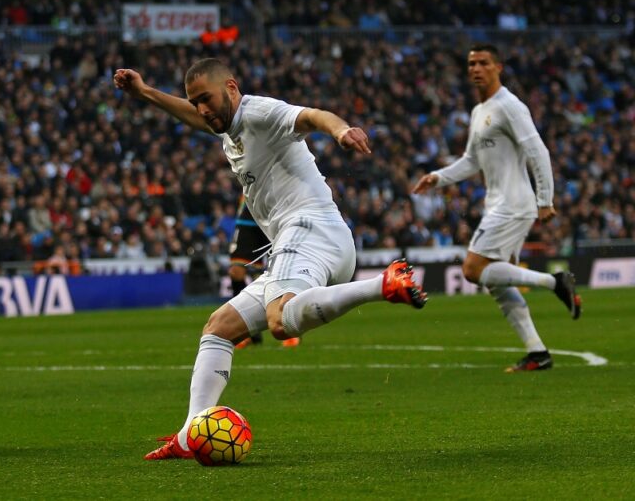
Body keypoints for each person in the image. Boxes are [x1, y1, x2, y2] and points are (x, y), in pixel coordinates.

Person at [114, 59, 427, 461]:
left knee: (280, 322)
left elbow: (312, 116)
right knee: (219, 328)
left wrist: (341, 130)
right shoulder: (229, 128)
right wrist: (145, 93)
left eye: (206, 99)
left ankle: (382, 284)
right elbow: (196, 118)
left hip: (308, 229)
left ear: (230, 87)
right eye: (196, 102)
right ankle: (192, 433)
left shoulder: (261, 112)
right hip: (312, 239)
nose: (202, 109)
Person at [412, 44, 580, 372]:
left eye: (483, 63)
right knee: (498, 284)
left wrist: (546, 199)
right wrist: (438, 177)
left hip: (514, 203)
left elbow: (538, 151)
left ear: (497, 67)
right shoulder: (479, 111)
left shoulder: (510, 106)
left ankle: (556, 282)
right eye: (471, 63)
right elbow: (471, 160)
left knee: (472, 269)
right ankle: (538, 353)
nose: (475, 68)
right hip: (498, 204)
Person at [226, 198, 298, 349]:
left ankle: (291, 330)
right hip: (249, 211)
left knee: (283, 269)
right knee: (236, 271)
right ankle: (249, 334)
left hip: (278, 209)